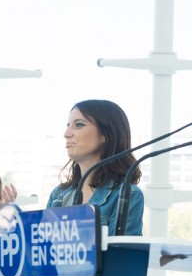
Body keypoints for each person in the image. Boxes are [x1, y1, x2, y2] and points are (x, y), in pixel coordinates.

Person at [46, 99, 144, 236]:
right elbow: (42, 250)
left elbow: (119, 255)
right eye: (68, 125)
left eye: (78, 125)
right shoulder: (58, 195)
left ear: (105, 135)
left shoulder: (127, 195)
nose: (66, 133)